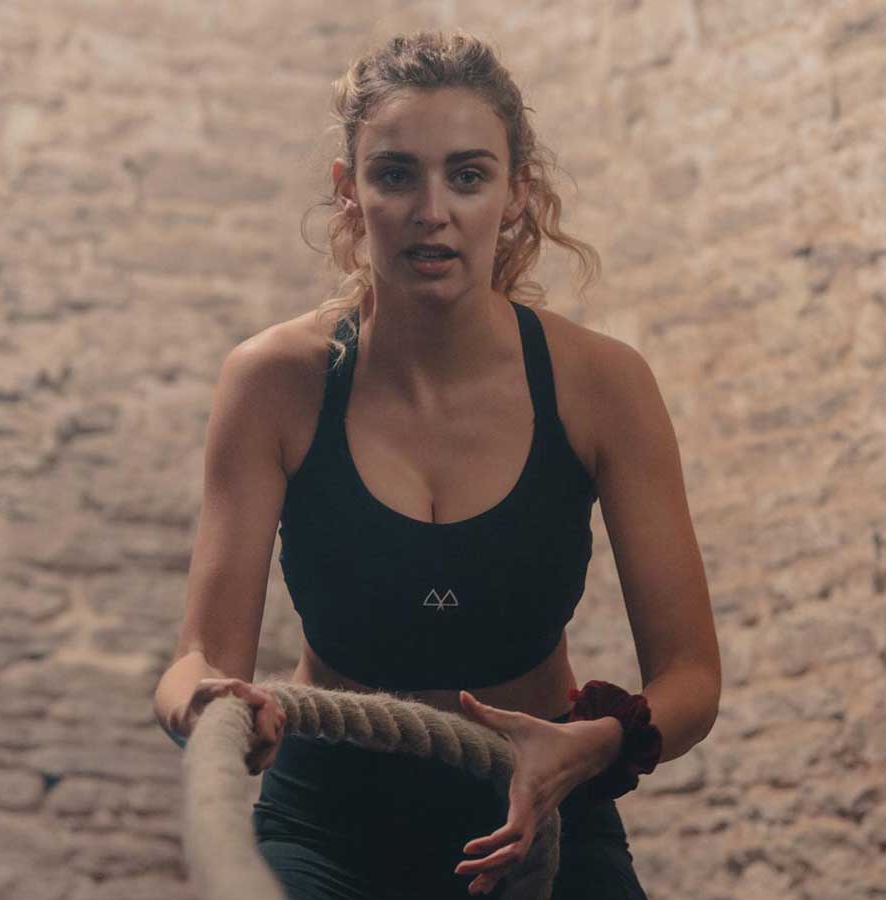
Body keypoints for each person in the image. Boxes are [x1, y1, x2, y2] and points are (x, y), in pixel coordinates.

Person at [153, 27, 721, 900]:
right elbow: (199, 658)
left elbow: (691, 680)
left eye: (467, 174)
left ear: (516, 193)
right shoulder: (272, 381)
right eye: (394, 174)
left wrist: (597, 745)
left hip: (541, 805)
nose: (432, 210)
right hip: (325, 823)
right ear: (350, 192)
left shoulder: (605, 385)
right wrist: (207, 706)